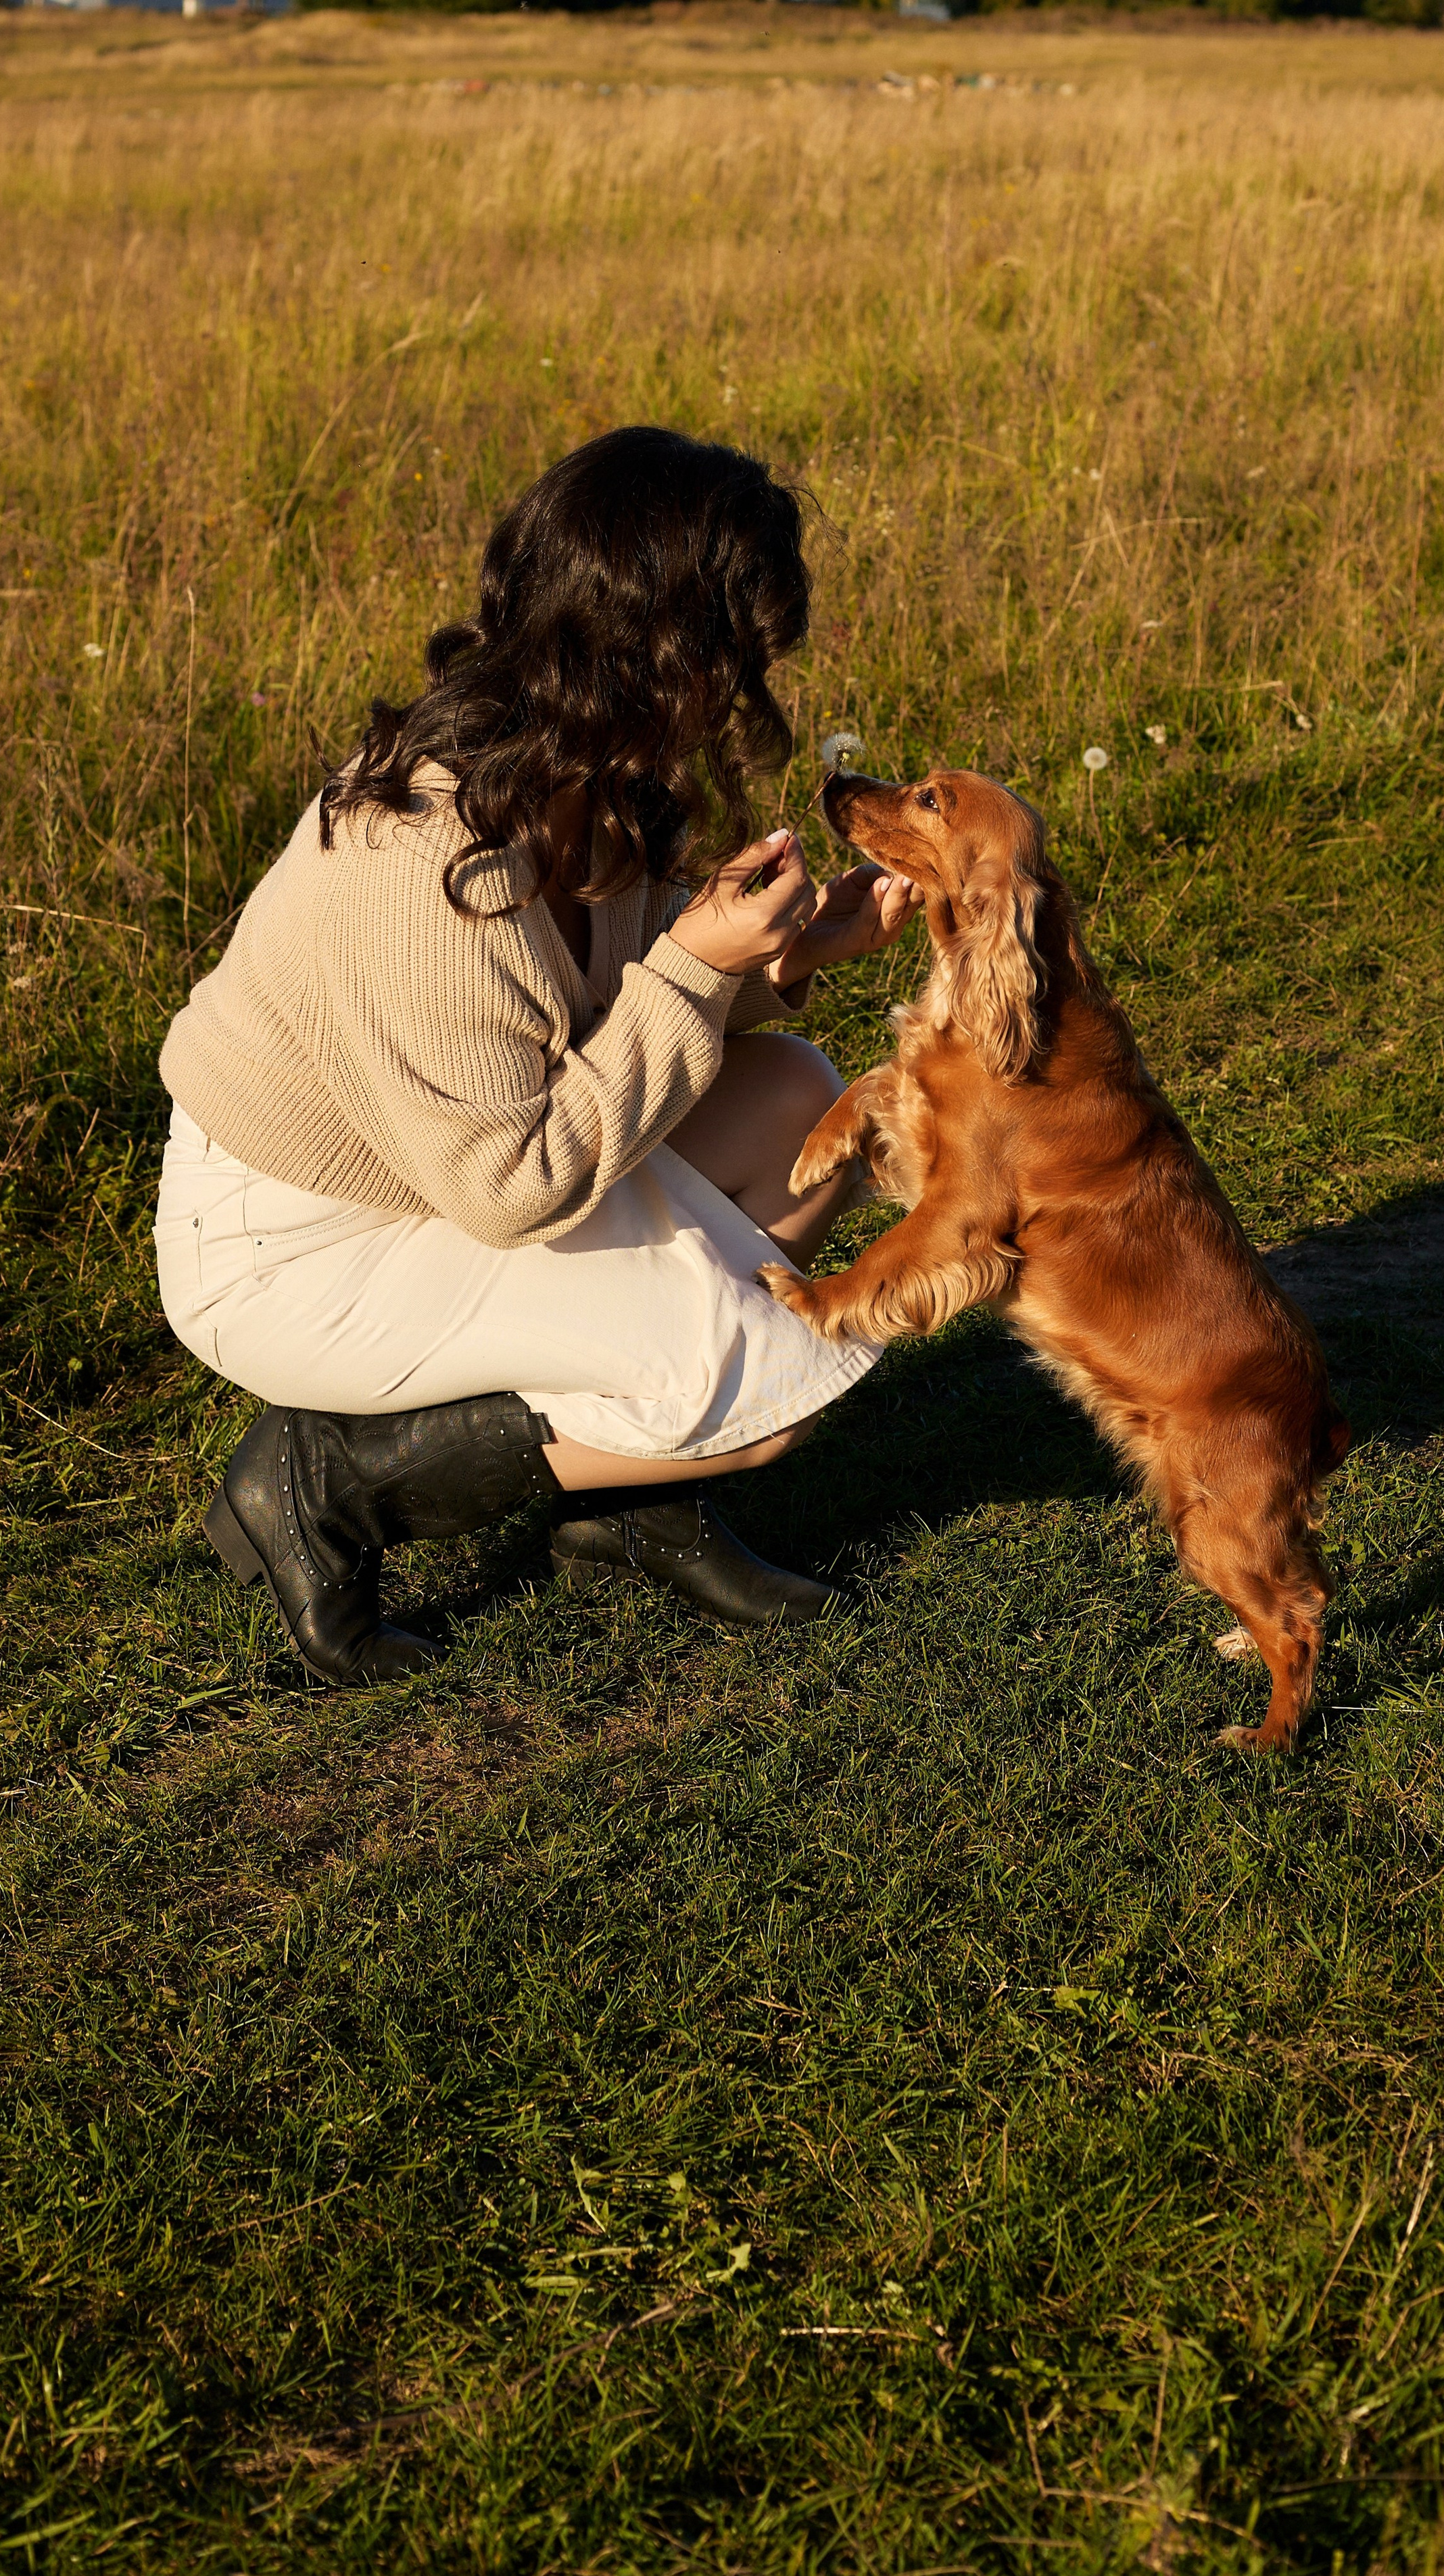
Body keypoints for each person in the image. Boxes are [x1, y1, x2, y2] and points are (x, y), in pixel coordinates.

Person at [152, 427, 920, 1688]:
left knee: (798, 1099)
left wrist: (784, 956)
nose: (739, 692)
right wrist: (698, 967)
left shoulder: (590, 775)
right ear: (649, 650)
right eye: (727, 656)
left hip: (455, 1173)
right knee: (760, 1379)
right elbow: (512, 1182)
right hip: (298, 1238)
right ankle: (326, 1479)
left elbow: (605, 1021)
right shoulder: (425, 853)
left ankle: (631, 1504)